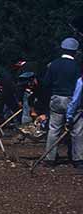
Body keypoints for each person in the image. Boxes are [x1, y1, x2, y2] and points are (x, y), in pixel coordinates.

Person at [38, 37, 82, 168]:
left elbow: (46, 84)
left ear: (62, 49)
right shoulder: (77, 66)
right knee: (77, 130)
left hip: (56, 98)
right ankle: (78, 159)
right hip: (72, 100)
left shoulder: (53, 65)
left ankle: (50, 158)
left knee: (54, 129)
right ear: (75, 52)